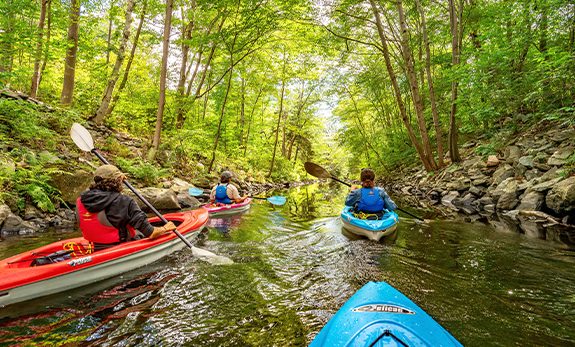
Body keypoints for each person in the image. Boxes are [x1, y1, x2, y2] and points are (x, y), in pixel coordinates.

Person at [76, 165, 177, 252]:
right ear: (117, 181)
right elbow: (151, 233)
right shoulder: (125, 201)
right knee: (140, 233)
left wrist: (118, 179)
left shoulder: (82, 199)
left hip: (94, 245)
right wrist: (166, 228)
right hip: (119, 246)